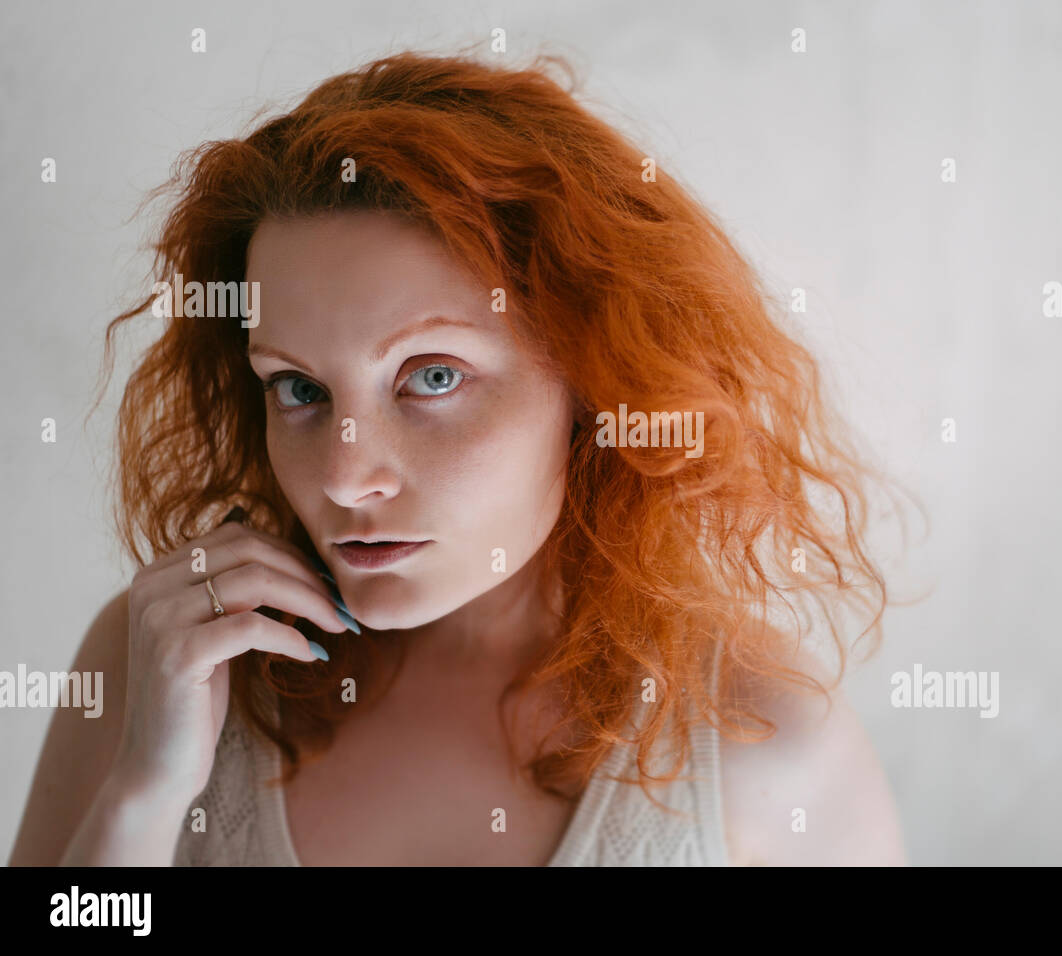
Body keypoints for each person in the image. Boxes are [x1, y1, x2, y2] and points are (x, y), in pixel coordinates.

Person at [8, 49, 907, 867]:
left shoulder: (764, 742)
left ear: (596, 381)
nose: (344, 477)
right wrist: (143, 795)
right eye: (299, 389)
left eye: (431, 376)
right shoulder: (163, 662)